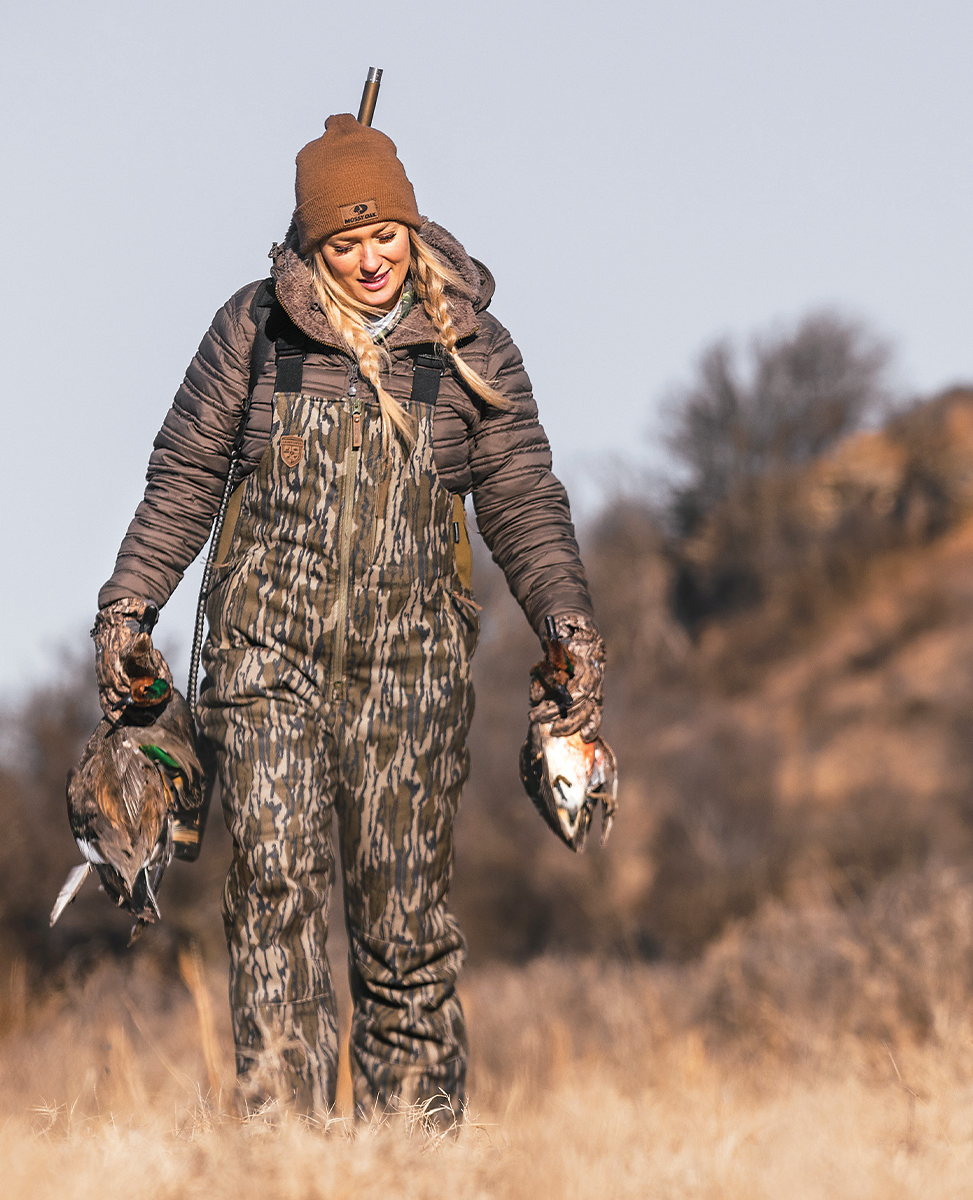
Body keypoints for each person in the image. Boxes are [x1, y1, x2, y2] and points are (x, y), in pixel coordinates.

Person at [91, 111, 604, 1119]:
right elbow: (186, 476)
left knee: (404, 921)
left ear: (413, 229)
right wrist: (129, 605)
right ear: (308, 245)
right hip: (261, 659)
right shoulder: (253, 329)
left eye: (385, 235)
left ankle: (411, 1163)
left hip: (413, 670)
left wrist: (567, 625)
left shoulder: (471, 343)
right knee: (274, 892)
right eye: (343, 242)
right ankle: (285, 1156)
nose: (370, 261)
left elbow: (523, 498)